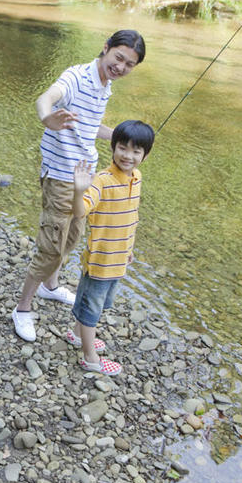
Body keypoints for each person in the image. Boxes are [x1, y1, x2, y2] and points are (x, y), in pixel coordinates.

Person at [12, 30, 146, 342]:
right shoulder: (77, 77)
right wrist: (48, 119)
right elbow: (45, 99)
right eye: (119, 58)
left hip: (85, 175)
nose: (122, 66)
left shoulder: (105, 86)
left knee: (72, 236)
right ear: (106, 48)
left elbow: (88, 124)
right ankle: (22, 308)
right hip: (61, 175)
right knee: (52, 245)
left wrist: (125, 140)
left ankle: (51, 286)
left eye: (130, 64)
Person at [68, 120, 155, 376]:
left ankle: (76, 334)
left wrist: (129, 248)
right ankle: (90, 357)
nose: (128, 156)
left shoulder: (136, 177)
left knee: (95, 303)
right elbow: (80, 211)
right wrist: (78, 191)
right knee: (91, 310)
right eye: (122, 148)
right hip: (100, 262)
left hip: (118, 259)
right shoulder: (102, 180)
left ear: (145, 155)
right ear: (112, 147)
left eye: (136, 151)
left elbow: (131, 216)